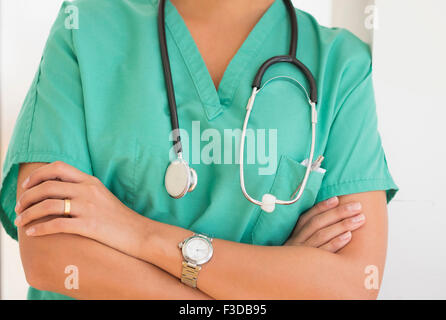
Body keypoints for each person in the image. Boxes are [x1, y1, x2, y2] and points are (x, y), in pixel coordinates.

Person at [0, 0, 397, 299]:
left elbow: (353, 283)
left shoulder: (340, 65)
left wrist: (138, 234)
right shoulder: (87, 24)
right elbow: (51, 255)